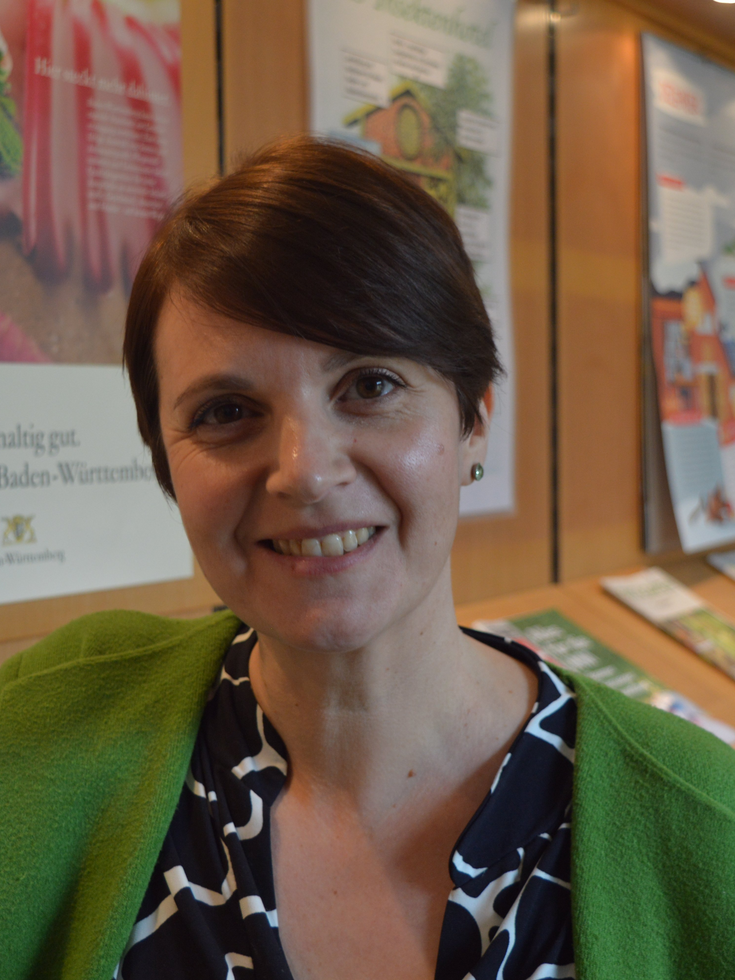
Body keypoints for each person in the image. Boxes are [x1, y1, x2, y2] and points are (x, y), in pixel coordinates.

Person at [1, 137, 735, 980]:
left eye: (370, 385)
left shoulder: (701, 829)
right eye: (227, 411)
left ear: (473, 420)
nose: (304, 472)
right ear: (164, 458)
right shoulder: (48, 725)